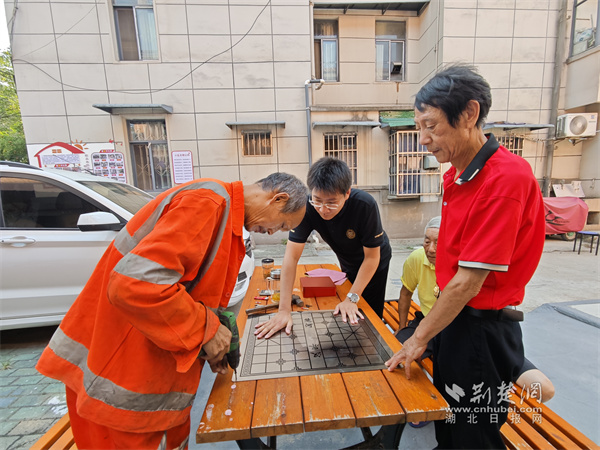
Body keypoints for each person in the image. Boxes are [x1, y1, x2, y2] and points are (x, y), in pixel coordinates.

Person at [36, 173, 308, 449]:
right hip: (123, 378)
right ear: (278, 198)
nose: (274, 232)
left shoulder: (225, 215)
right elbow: (136, 285)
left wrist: (205, 345)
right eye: (282, 223)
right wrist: (207, 331)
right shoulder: (207, 203)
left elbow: (188, 292)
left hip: (146, 373)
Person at [385, 65, 546, 449]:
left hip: (481, 330)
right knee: (449, 423)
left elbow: (468, 281)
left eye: (431, 126)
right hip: (455, 322)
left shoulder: (505, 178)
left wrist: (418, 338)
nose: (422, 139)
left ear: (469, 114)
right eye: (418, 127)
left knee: (475, 437)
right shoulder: (458, 175)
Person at [396, 216, 555, 404]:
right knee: (395, 356)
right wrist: (402, 326)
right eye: (427, 241)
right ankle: (421, 402)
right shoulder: (417, 259)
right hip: (428, 326)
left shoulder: (468, 268)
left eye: (438, 242)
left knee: (543, 389)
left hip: (469, 329)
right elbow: (405, 293)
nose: (431, 249)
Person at [255, 157, 392, 339]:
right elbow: (291, 257)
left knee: (368, 312)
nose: (323, 209)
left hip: (375, 260)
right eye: (317, 200)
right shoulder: (307, 207)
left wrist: (352, 298)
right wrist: (284, 309)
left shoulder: (364, 205)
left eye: (332, 202)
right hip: (347, 259)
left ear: (347, 193)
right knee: (346, 307)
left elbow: (372, 258)